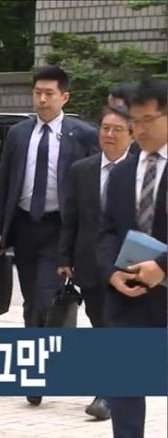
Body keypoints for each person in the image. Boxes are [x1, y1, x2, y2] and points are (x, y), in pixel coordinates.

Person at [0, 65, 98, 406]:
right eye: (37, 92)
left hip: (58, 228)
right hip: (25, 225)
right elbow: (5, 182)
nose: (42, 99)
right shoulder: (19, 134)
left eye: (49, 93)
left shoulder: (82, 134)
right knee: (29, 302)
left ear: (64, 97)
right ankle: (33, 368)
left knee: (44, 298)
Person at [98, 78, 167, 438]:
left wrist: (162, 267)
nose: (139, 130)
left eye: (147, 120)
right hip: (129, 297)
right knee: (123, 388)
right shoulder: (124, 171)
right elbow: (107, 229)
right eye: (135, 121)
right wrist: (111, 271)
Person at [57, 105, 134, 421]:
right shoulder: (82, 170)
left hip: (129, 264)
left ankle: (107, 394)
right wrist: (65, 257)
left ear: (132, 135)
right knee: (100, 324)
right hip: (90, 263)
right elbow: (71, 218)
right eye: (105, 128)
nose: (109, 135)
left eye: (117, 129)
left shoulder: (142, 170)